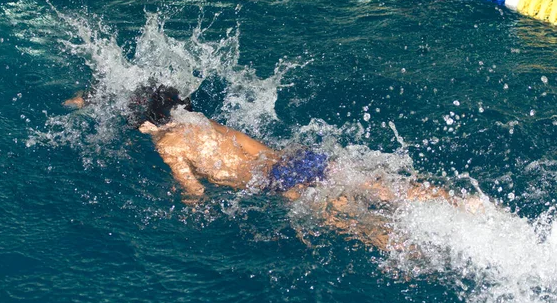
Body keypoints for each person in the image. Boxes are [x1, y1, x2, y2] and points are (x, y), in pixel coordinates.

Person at [64, 81, 483, 250]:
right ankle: (457, 201)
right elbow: (257, 145)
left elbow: (192, 189)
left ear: (146, 122)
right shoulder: (205, 121)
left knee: (342, 218)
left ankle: (402, 247)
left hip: (274, 181)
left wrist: (189, 212)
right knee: (371, 184)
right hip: (293, 158)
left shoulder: (168, 145)